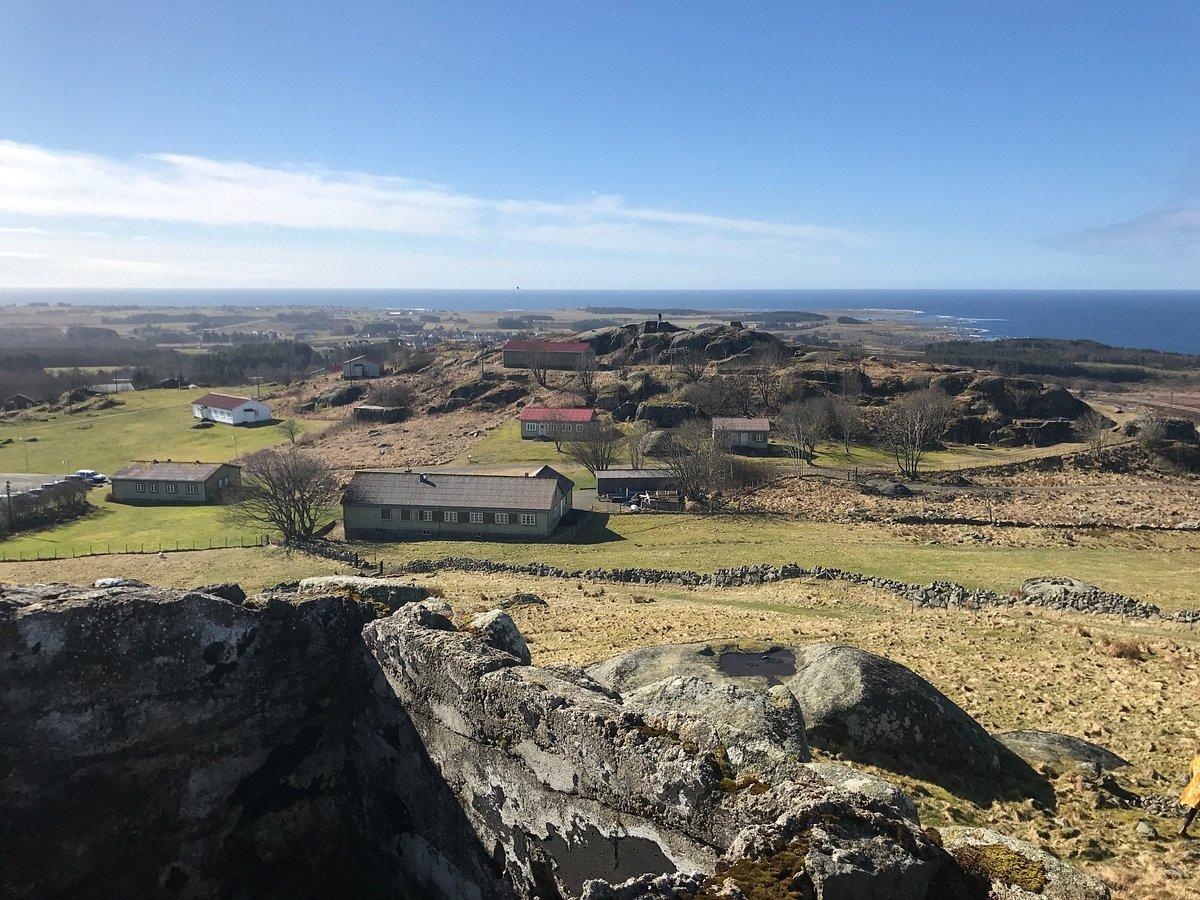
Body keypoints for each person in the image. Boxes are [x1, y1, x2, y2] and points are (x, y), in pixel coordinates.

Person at [1180, 753, 1200, 837]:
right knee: (1194, 809)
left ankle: (1183, 828)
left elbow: (1190, 775)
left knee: (1193, 809)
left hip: (1193, 788)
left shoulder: (1195, 761)